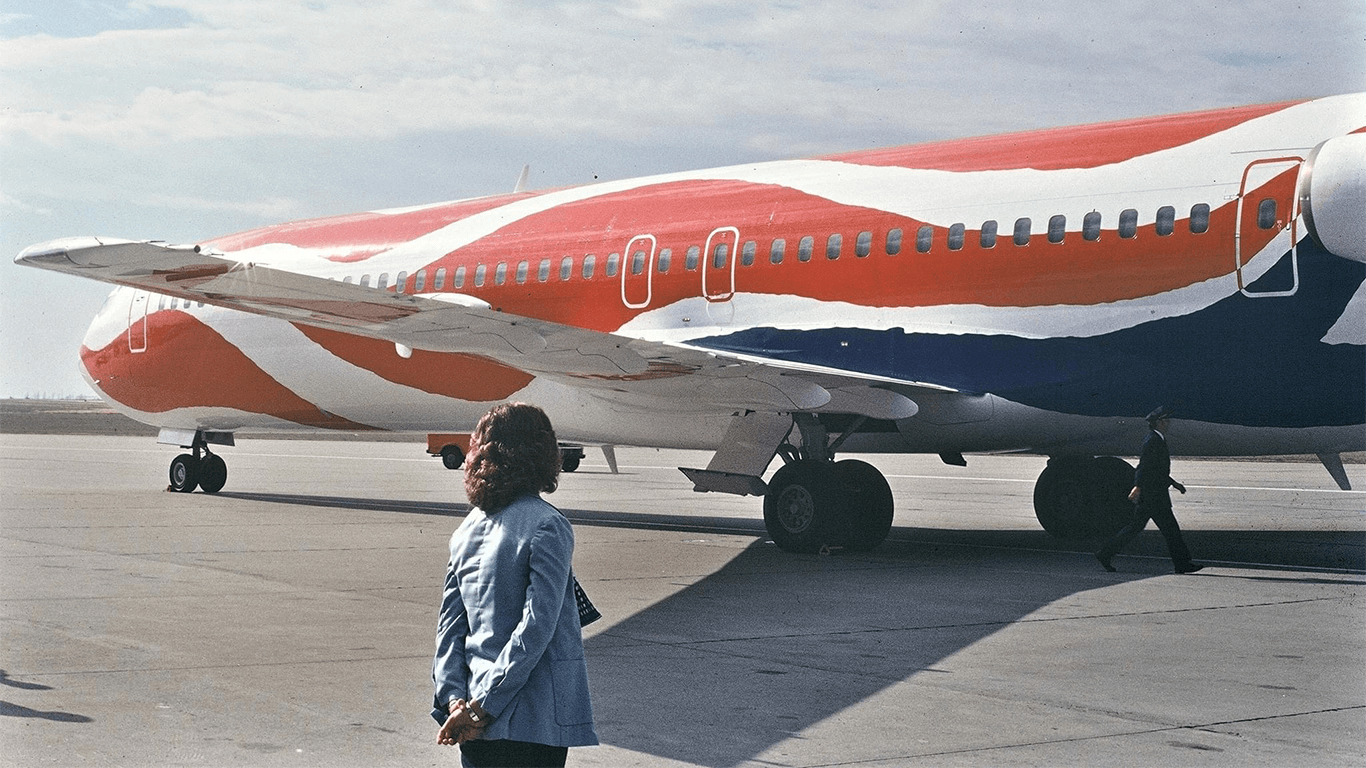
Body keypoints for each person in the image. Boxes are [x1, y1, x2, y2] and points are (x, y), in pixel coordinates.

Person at [432, 403, 598, 767]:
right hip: (531, 723)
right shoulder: (547, 525)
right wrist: (482, 708)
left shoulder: (467, 529)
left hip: (472, 721)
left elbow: (450, 628)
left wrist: (456, 700)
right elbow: (537, 628)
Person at [1096, 406, 1203, 574]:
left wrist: (1174, 484)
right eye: (1165, 420)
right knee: (1169, 530)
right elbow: (1144, 466)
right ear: (1158, 423)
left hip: (1154, 494)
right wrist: (1137, 486)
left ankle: (1105, 553)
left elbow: (1157, 469)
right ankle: (1182, 564)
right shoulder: (1152, 440)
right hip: (1153, 496)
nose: (1168, 423)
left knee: (1137, 528)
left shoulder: (1158, 439)